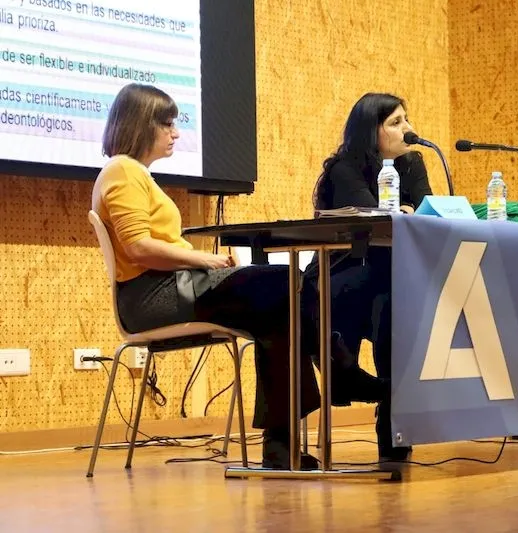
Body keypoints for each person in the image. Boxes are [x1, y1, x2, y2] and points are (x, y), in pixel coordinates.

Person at [91, 83, 371, 470]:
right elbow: (138, 247)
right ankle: (336, 362)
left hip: (172, 288)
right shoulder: (123, 170)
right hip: (152, 298)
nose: (175, 133)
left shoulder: (134, 173)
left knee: (280, 311)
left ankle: (281, 446)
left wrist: (198, 262)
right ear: (141, 125)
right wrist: (201, 260)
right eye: (167, 124)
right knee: (281, 282)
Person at [304, 93, 434, 461]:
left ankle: (390, 409)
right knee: (391, 298)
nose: (407, 129)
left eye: (406, 120)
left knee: (393, 299)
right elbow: (374, 219)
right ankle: (389, 410)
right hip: (337, 280)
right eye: (395, 122)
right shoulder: (344, 168)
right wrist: (405, 211)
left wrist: (409, 211)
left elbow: (426, 210)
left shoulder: (412, 164)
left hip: (385, 278)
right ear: (369, 131)